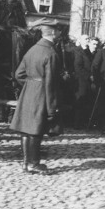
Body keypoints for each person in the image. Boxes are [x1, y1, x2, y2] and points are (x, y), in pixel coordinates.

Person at [9, 18, 63, 173]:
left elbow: (19, 74)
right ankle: (34, 163)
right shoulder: (51, 53)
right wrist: (52, 108)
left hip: (28, 93)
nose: (59, 34)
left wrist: (31, 85)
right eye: (58, 31)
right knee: (36, 130)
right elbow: (51, 84)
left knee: (26, 129)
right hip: (42, 95)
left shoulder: (32, 49)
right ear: (52, 33)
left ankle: (26, 163)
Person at [73, 35, 98, 129]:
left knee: (87, 101)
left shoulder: (89, 51)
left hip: (88, 80)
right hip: (80, 80)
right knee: (80, 101)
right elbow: (78, 67)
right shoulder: (78, 51)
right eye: (85, 39)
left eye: (88, 39)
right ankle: (77, 123)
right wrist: (88, 76)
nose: (87, 40)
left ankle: (85, 122)